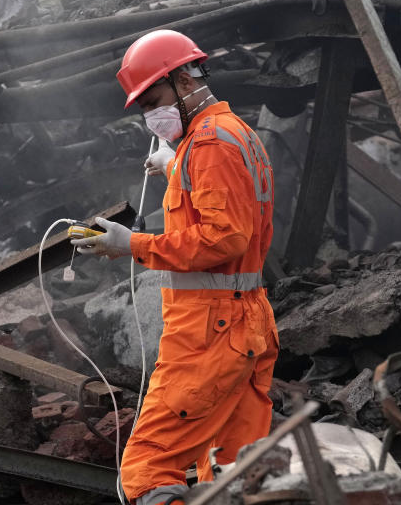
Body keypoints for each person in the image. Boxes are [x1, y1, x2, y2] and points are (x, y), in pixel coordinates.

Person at [71, 30, 278, 505]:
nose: (150, 114)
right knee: (237, 471)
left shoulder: (209, 146)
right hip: (243, 322)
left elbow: (224, 237)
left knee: (146, 467)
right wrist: (174, 163)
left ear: (185, 80)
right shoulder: (231, 134)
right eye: (143, 106)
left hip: (210, 330)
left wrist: (132, 244)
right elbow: (229, 200)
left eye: (155, 99)